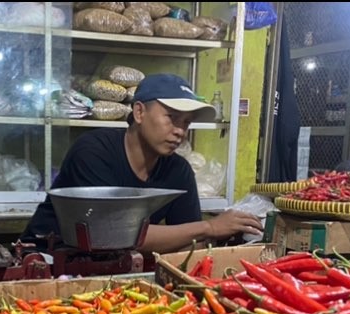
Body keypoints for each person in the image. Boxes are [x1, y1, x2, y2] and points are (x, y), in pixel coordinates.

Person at [20, 73, 263, 254]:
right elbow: (108, 234)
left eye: (187, 122)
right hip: (47, 258)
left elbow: (190, 242)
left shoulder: (178, 170)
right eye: (172, 117)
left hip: (116, 265)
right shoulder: (94, 151)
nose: (180, 131)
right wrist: (210, 227)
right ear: (139, 112)